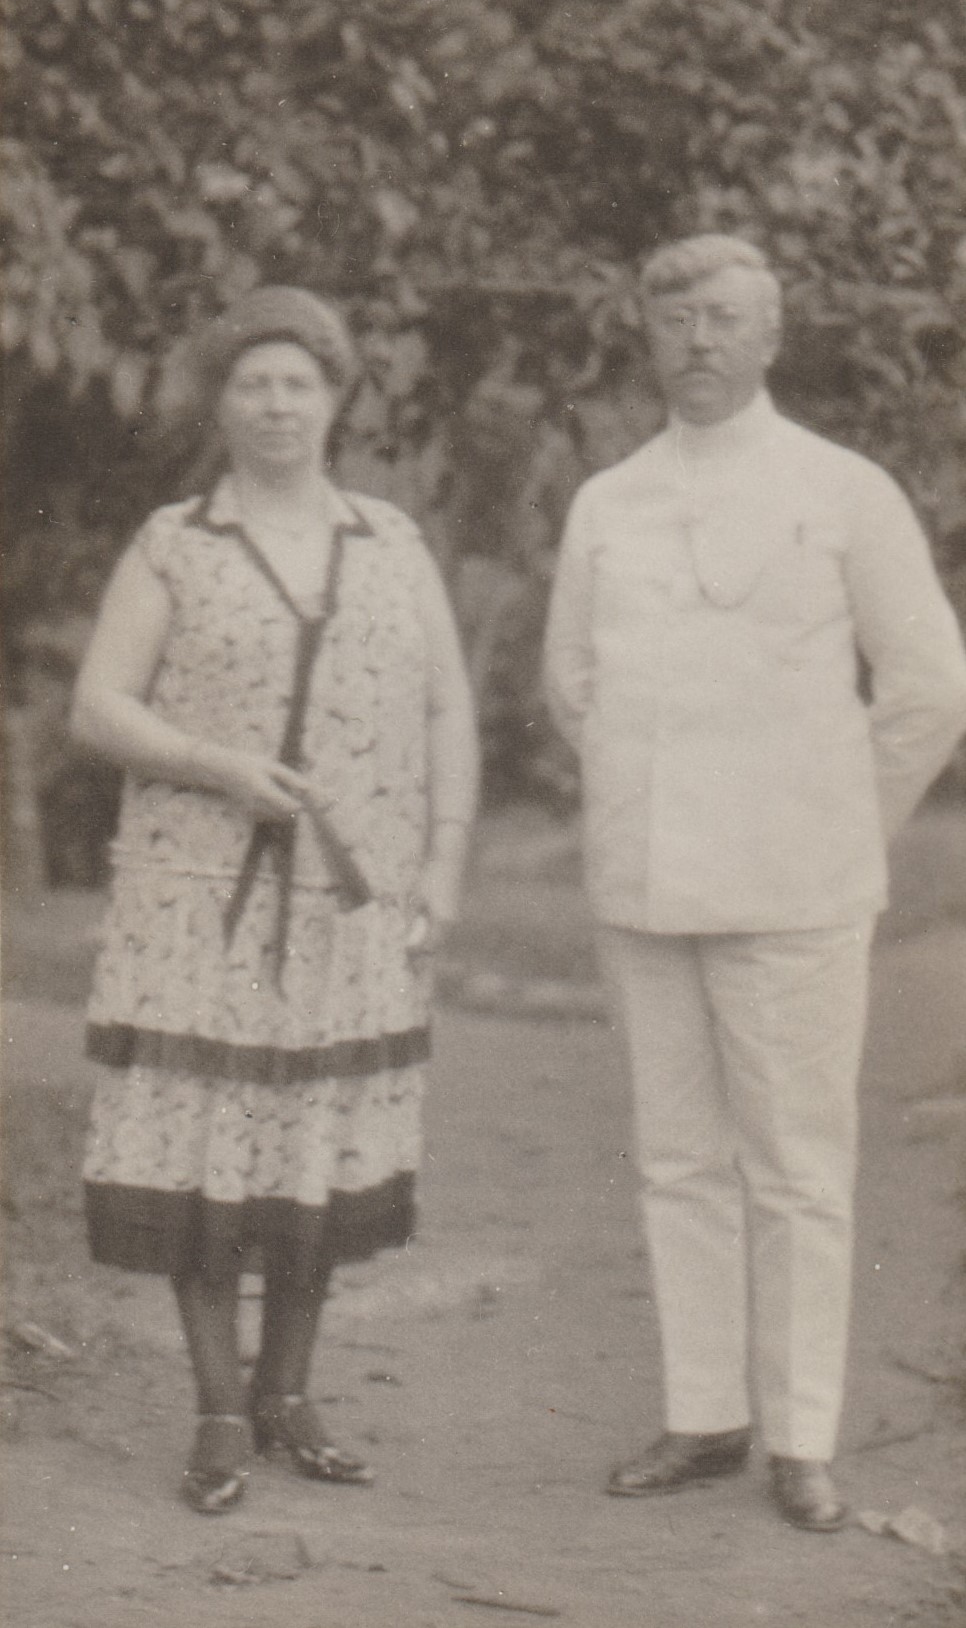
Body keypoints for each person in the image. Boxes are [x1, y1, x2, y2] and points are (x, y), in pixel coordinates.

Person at [543, 235, 966, 1532]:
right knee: (677, 1158)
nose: (698, 342)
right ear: (648, 337)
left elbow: (930, 688)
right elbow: (573, 689)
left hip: (795, 888)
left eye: (723, 319)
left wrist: (839, 825)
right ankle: (703, 1415)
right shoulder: (609, 501)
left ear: (770, 336)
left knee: (794, 1165)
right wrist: (647, 804)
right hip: (647, 884)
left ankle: (800, 1438)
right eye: (673, 320)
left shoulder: (842, 492)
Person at [71, 286, 478, 1514]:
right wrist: (213, 765)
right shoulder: (175, 540)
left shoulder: (389, 542)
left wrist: (445, 869)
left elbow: (448, 712)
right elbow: (98, 706)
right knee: (204, 1156)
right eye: (254, 382)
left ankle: (292, 1392)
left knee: (313, 1151)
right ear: (222, 399)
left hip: (348, 912)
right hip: (195, 898)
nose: (278, 403)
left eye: (300, 381)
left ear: (337, 395)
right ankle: (216, 1410)